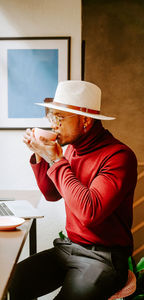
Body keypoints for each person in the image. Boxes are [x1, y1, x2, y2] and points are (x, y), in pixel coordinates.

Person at [9, 80, 137, 300]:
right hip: (71, 247)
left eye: (59, 118)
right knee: (16, 280)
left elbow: (90, 213)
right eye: (52, 117)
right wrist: (41, 155)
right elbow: (52, 194)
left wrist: (57, 159)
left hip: (105, 257)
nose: (54, 125)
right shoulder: (72, 151)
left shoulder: (118, 156)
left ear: (85, 120)